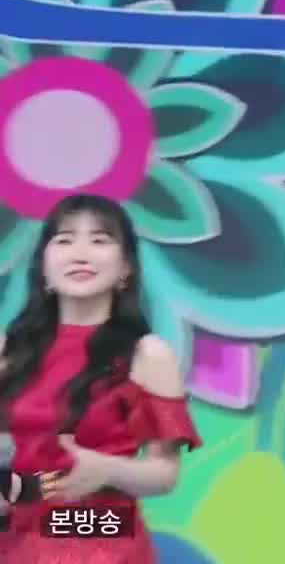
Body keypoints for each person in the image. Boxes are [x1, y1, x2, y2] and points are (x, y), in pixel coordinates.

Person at [0, 194, 202, 563]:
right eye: (64, 240)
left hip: (94, 537)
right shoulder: (9, 351)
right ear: (43, 267)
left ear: (126, 268)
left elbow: (165, 473)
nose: (81, 253)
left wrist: (108, 469)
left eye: (99, 239)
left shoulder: (146, 354)